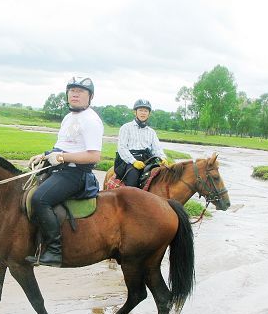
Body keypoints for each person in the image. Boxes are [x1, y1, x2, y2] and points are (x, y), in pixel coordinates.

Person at [25, 76, 104, 267]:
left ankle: (54, 251)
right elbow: (61, 146)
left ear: (90, 96)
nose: (75, 94)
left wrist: (62, 158)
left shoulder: (92, 120)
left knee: (40, 199)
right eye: (72, 90)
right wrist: (44, 156)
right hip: (58, 168)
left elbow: (94, 156)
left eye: (80, 91)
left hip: (76, 174)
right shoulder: (68, 117)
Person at [114, 99, 170, 187]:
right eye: (140, 110)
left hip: (148, 160)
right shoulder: (126, 128)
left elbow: (157, 148)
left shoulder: (151, 132)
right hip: (131, 160)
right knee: (132, 184)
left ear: (149, 113)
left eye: (146, 111)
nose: (143, 113)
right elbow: (122, 148)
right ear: (135, 112)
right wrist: (133, 161)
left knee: (162, 178)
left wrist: (163, 158)